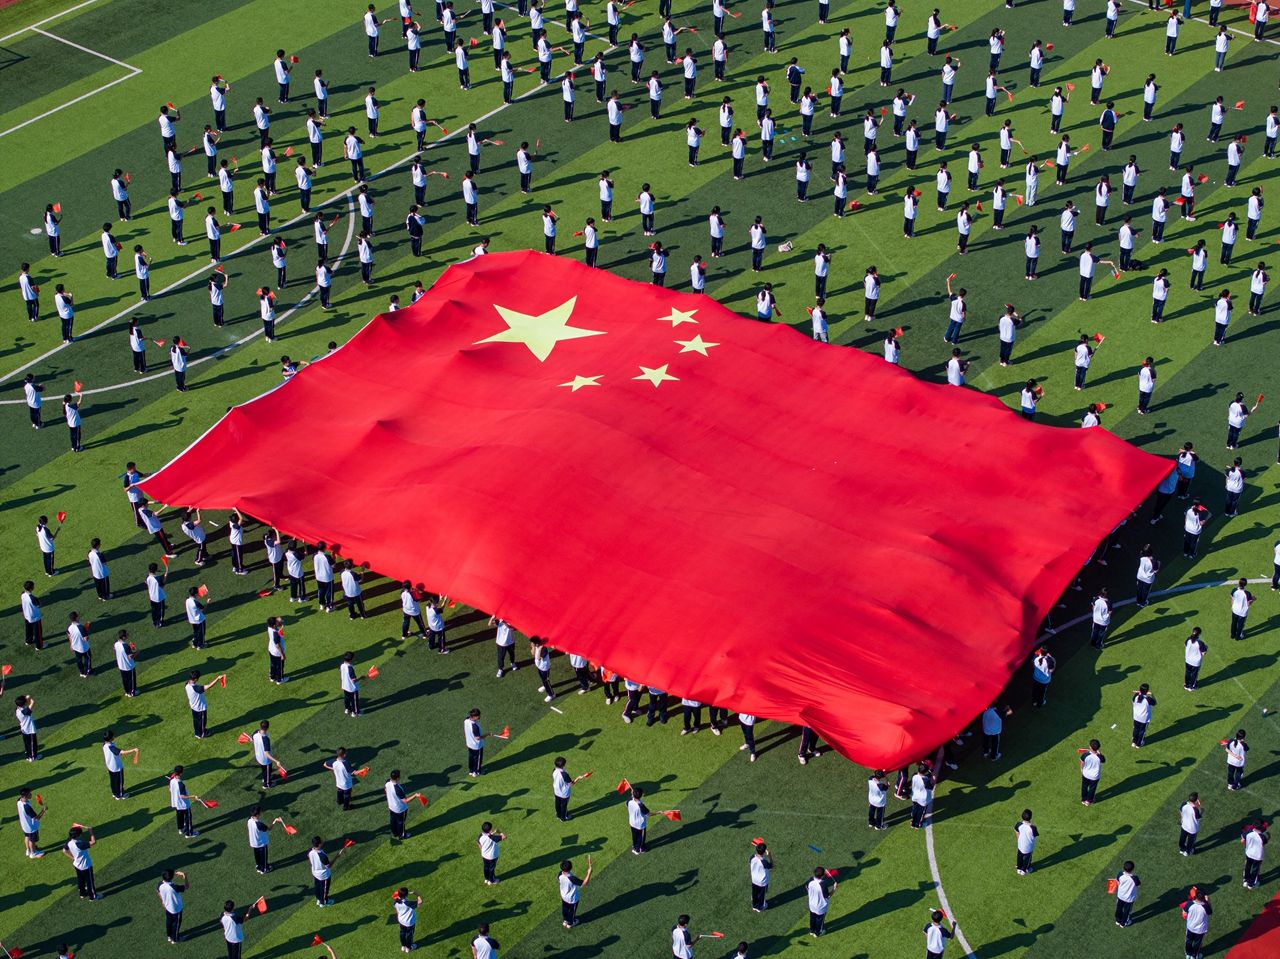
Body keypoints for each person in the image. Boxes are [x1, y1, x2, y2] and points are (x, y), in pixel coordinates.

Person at [64, 824, 99, 899]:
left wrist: (73, 858)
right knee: (90, 882)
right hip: (85, 866)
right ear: (78, 835)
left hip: (77, 865)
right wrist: (91, 832)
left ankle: (82, 893)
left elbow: (64, 851)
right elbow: (93, 842)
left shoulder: (69, 842)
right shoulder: (80, 844)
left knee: (80, 880)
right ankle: (93, 896)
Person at [158, 868, 189, 943]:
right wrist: (184, 876)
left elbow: (158, 891)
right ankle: (175, 939)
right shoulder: (174, 887)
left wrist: (162, 901)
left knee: (169, 922)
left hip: (167, 907)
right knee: (176, 924)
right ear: (172, 877)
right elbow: (186, 886)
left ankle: (169, 936)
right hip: (176, 909)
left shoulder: (160, 884)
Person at [17, 786, 45, 858]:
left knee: (27, 836)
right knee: (32, 840)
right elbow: (37, 818)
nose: (31, 794)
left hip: (24, 825)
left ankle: (28, 850)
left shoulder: (19, 800)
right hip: (31, 827)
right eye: (29, 793)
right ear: (25, 796)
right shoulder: (27, 807)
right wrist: (43, 810)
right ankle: (33, 853)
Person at [806, 867, 835, 936]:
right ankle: (818, 933)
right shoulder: (823, 884)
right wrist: (834, 888)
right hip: (820, 907)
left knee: (812, 918)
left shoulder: (810, 880)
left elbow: (807, 887)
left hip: (812, 904)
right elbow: (828, 896)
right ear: (822, 875)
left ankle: (812, 930)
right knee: (820, 920)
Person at [386, 769, 411, 839]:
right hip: (400, 809)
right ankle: (402, 835)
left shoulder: (387, 783)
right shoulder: (398, 789)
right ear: (397, 778)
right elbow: (405, 801)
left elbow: (386, 790)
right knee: (401, 822)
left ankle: (395, 833)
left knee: (393, 820)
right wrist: (415, 795)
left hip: (391, 807)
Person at [1113, 861, 1140, 927]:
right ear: (1132, 869)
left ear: (1124, 867)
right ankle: (1123, 923)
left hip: (1120, 896)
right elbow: (1138, 885)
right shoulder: (1135, 878)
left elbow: (1117, 882)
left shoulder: (1120, 874)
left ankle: (1118, 920)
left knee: (1119, 908)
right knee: (1127, 912)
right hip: (1129, 899)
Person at [309, 836, 334, 906]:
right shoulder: (322, 856)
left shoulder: (310, 851)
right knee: (324, 890)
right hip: (324, 876)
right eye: (321, 841)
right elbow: (329, 866)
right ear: (319, 844)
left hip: (315, 873)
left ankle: (318, 899)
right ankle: (324, 902)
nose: (322, 841)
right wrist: (336, 857)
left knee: (317, 888)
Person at [1243, 822, 1268, 889]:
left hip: (1249, 853)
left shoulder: (1248, 833)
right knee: (1255, 870)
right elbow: (1264, 842)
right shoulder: (1263, 837)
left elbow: (1243, 839)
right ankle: (1251, 884)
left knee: (1247, 867)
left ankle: (1245, 881)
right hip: (1257, 856)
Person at [1131, 683, 1156, 747]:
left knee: (1135, 729)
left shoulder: (1136, 696)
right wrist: (1152, 694)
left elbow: (1134, 698)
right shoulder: (1148, 699)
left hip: (1136, 716)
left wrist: (1139, 692)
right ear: (1147, 691)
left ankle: (1134, 742)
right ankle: (1139, 744)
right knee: (1142, 731)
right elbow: (1155, 703)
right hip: (1144, 718)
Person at [15, 693, 39, 760]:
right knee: (32, 744)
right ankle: (33, 757)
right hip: (29, 730)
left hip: (24, 730)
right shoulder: (25, 711)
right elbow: (32, 702)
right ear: (24, 703)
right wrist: (29, 698)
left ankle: (28, 756)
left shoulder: (17, 709)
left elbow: (26, 705)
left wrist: (25, 699)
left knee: (27, 744)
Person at [1080, 739, 1104, 805]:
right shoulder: (1100, 757)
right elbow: (1103, 760)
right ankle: (1089, 801)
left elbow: (1082, 762)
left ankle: (1084, 799)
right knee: (1092, 789)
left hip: (1086, 774)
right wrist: (1099, 754)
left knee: (1084, 787)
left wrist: (1081, 769)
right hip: (1095, 776)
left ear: (1090, 747)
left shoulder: (1085, 755)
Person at [1014, 809, 1038, 875]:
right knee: (1027, 859)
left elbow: (1016, 830)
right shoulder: (1033, 827)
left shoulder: (1019, 824)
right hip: (1028, 847)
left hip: (1020, 845)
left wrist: (1018, 839)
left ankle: (1019, 868)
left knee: (1019, 856)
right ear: (1031, 817)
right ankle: (1025, 870)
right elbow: (1035, 836)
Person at [627, 785, 649, 853]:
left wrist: (632, 795)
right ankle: (639, 849)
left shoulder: (629, 801)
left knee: (634, 836)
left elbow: (628, 802)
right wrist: (659, 812)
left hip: (632, 822)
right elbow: (648, 814)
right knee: (641, 838)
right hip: (640, 825)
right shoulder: (641, 805)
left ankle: (635, 846)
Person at [910, 763, 933, 828]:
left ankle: (913, 822)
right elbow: (931, 788)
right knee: (921, 812)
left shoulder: (914, 776)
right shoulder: (925, 780)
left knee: (915, 809)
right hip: (922, 799)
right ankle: (917, 824)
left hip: (915, 796)